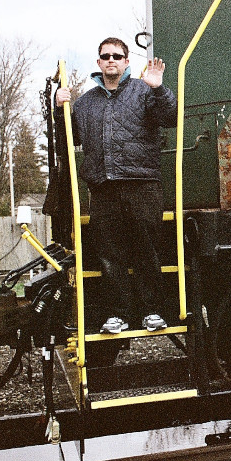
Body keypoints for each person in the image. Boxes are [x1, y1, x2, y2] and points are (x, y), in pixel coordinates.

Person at [54, 38, 177, 334]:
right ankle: (117, 314)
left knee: (147, 249)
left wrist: (159, 88)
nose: (111, 60)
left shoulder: (144, 91)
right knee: (110, 255)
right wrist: (60, 110)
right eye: (105, 56)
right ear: (98, 63)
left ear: (125, 61)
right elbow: (67, 141)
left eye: (117, 56)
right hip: (103, 187)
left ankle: (152, 311)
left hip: (142, 184)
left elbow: (171, 117)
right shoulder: (83, 103)